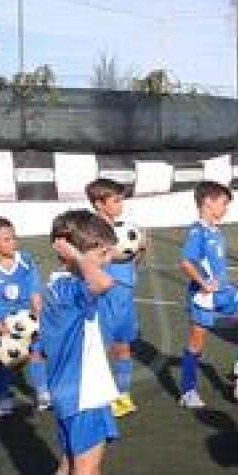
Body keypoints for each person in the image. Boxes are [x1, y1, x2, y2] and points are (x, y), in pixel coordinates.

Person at [30, 209, 131, 475]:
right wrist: (79, 257)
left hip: (64, 391)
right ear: (75, 255)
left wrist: (84, 256)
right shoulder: (74, 286)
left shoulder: (52, 285)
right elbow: (102, 284)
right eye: (101, 254)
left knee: (69, 465)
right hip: (85, 393)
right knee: (87, 473)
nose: (107, 261)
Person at [178, 181, 238, 408]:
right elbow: (186, 262)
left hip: (224, 291)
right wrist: (203, 283)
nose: (226, 208)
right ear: (208, 202)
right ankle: (188, 392)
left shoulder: (214, 230)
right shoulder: (197, 231)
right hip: (205, 296)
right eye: (223, 203)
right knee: (197, 344)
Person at [0, 216, 50, 415]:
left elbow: (35, 293)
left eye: (13, 237)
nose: (12, 243)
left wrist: (38, 319)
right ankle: (3, 397)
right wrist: (0, 328)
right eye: (6, 239)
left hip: (25, 320)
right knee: (1, 357)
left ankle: (42, 393)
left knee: (36, 351)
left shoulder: (25, 261)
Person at [86, 178, 143, 418]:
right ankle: (97, 397)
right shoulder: (90, 232)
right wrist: (110, 255)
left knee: (123, 347)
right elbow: (88, 264)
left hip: (124, 298)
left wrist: (138, 250)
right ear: (99, 204)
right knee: (98, 350)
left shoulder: (125, 229)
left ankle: (122, 395)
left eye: (121, 199)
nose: (121, 205)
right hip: (104, 299)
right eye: (116, 200)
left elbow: (133, 263)